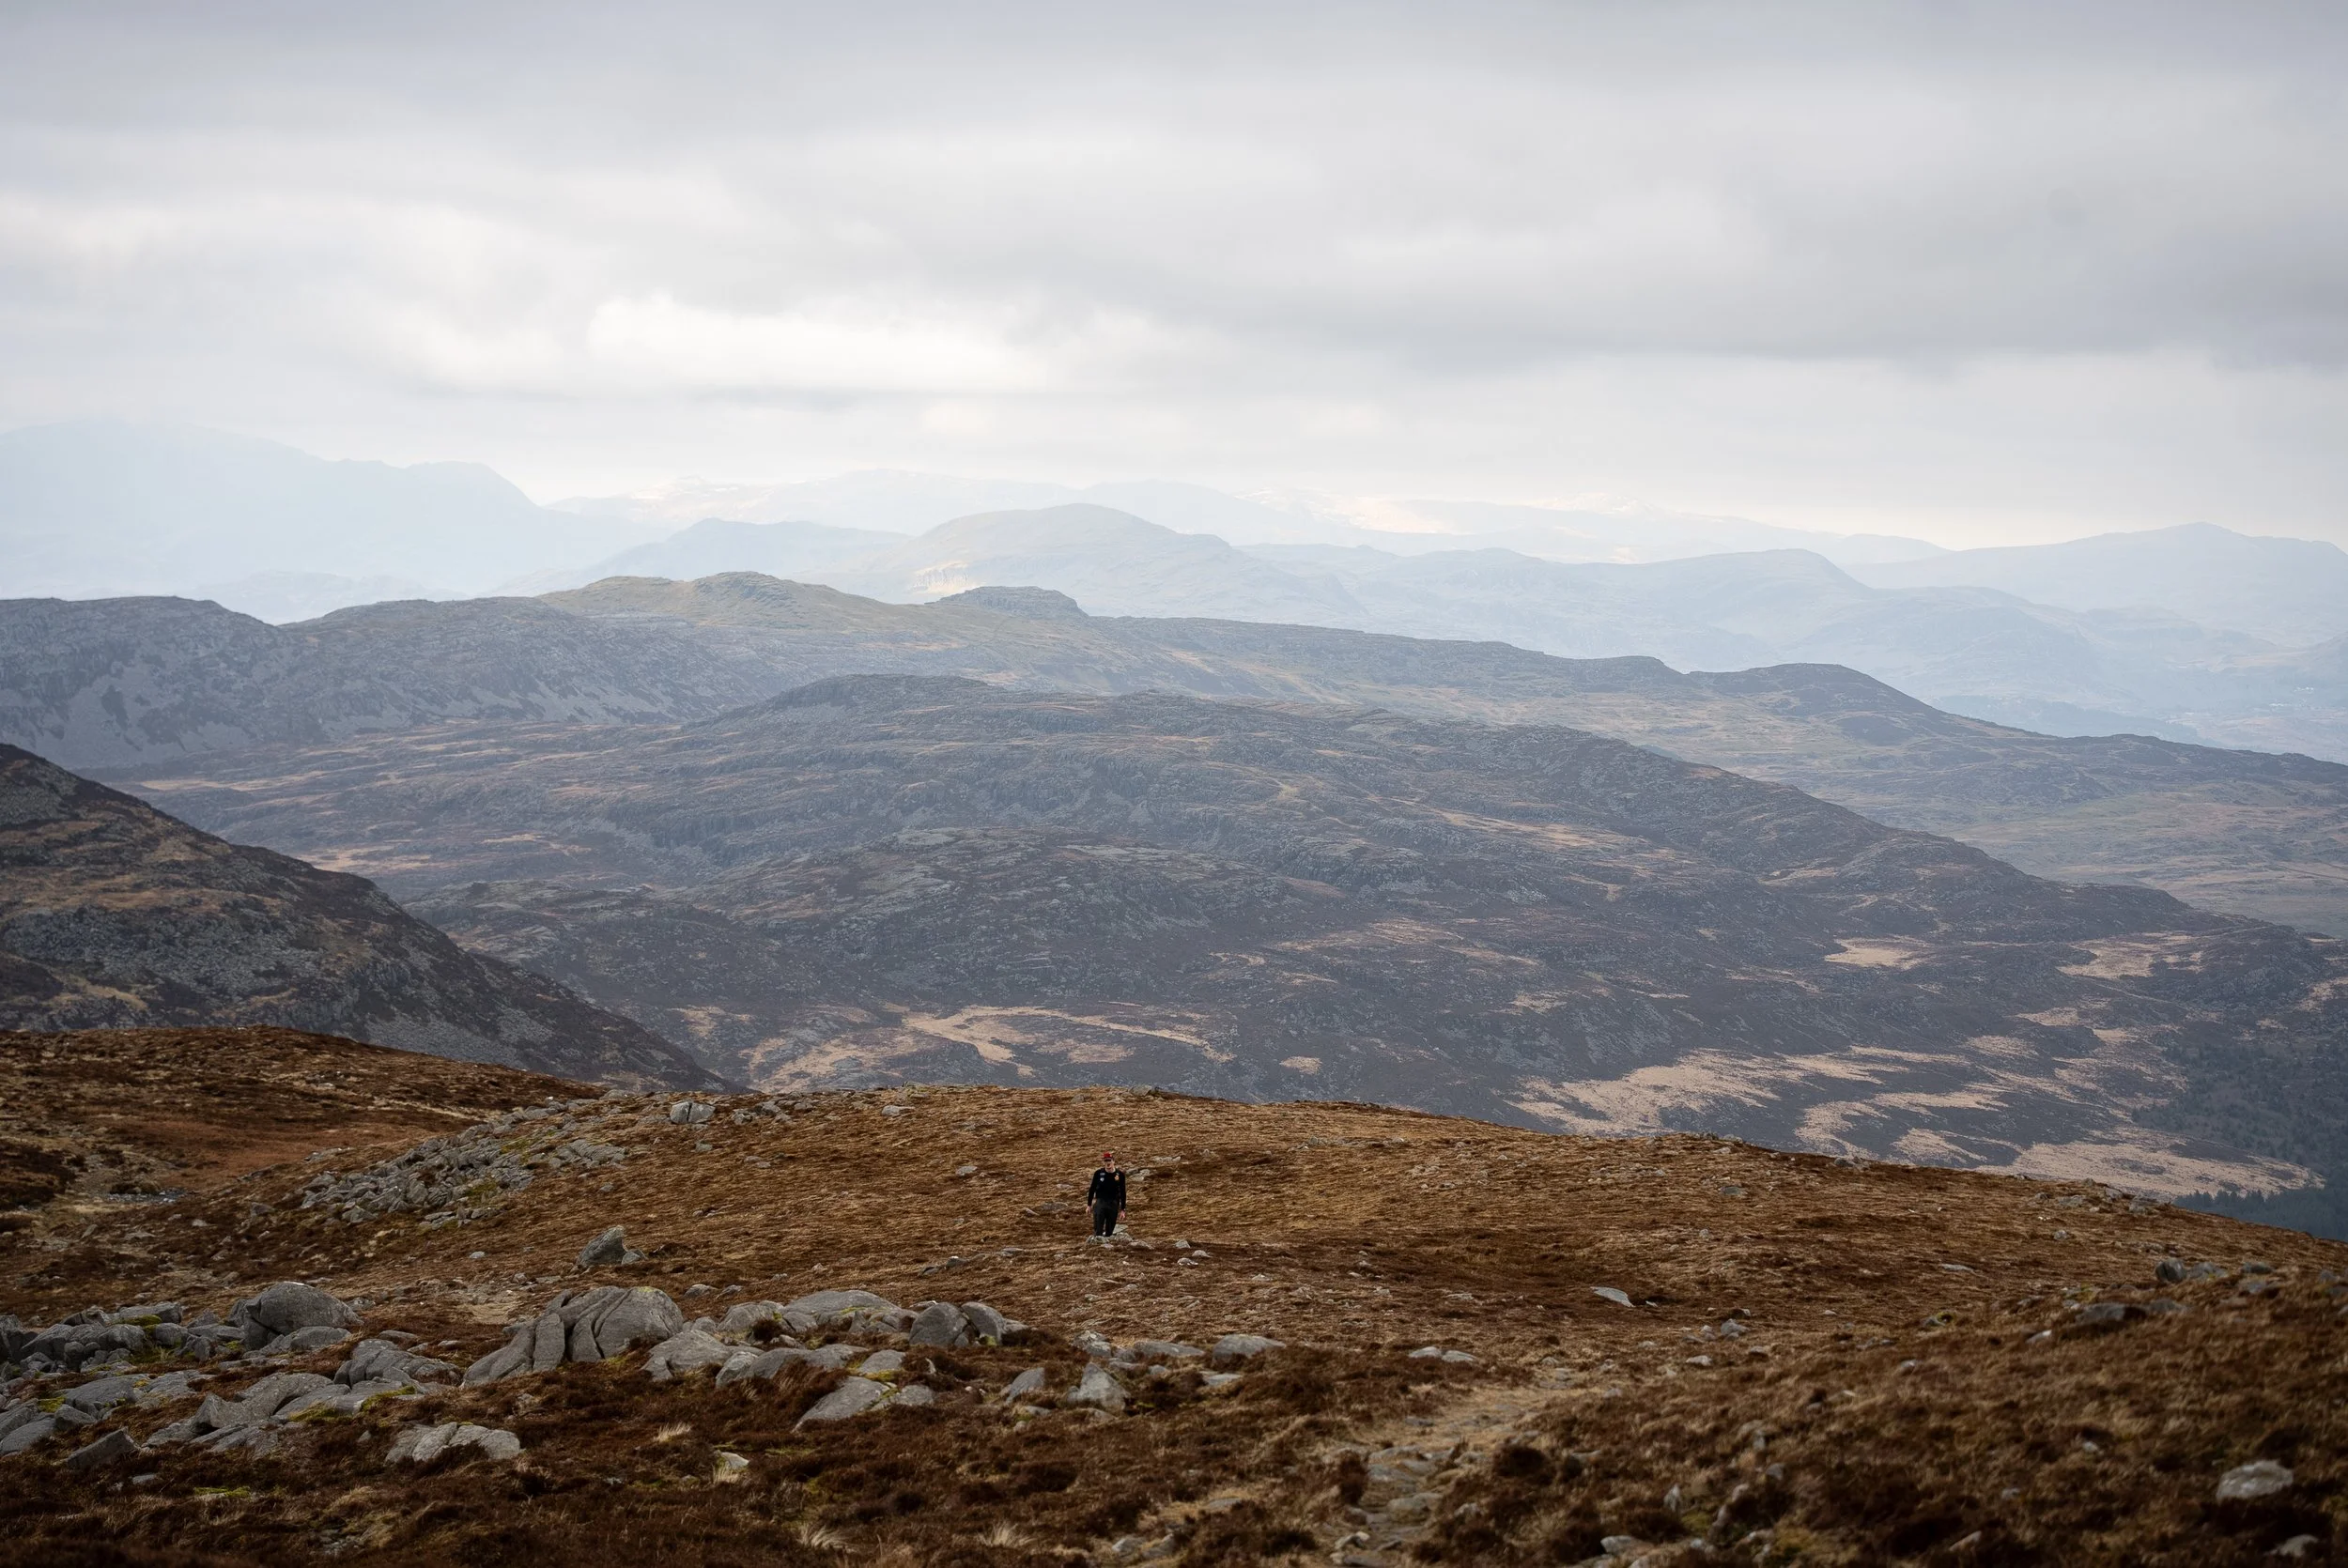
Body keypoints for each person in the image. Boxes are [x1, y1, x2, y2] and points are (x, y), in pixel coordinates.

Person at [1086, 1151, 1127, 1239]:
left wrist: (1123, 1209)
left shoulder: (1120, 1175)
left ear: (1113, 1161)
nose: (1108, 1163)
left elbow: (1123, 1192)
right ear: (1103, 1162)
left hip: (1113, 1203)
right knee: (1098, 1226)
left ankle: (1108, 1245)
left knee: (1110, 1228)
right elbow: (1092, 1189)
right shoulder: (1098, 1173)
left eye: (1109, 1160)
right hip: (1100, 1202)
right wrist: (1089, 1205)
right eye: (1106, 1161)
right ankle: (1098, 1243)